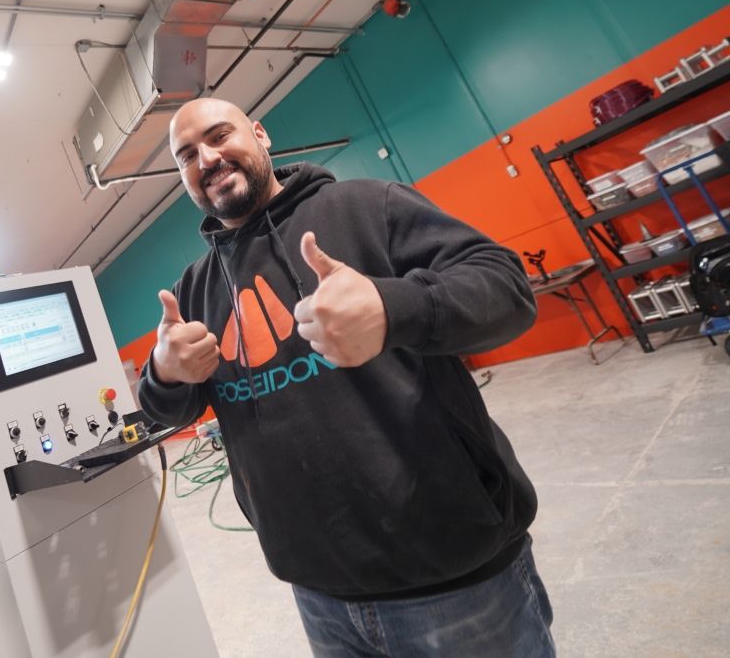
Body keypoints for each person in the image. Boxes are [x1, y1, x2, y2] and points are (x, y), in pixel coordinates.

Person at [137, 97, 554, 657]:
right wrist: (165, 372)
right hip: (318, 591)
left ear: (260, 135)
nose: (207, 158)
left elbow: (506, 289)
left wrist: (392, 307)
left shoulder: (366, 206)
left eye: (219, 135)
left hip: (455, 578)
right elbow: (165, 411)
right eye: (187, 155)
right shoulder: (195, 287)